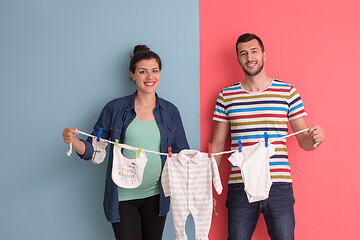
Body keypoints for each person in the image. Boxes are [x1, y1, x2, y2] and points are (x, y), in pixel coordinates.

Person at [62, 45, 189, 240]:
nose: (150, 77)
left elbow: (183, 156)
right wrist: (73, 141)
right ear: (133, 75)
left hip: (157, 197)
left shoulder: (170, 112)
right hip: (123, 198)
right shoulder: (115, 109)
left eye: (155, 71)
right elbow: (95, 150)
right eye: (142, 71)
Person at [211, 33, 325, 240]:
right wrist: (206, 185)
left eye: (254, 51)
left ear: (264, 55)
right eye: (243, 53)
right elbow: (218, 144)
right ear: (238, 59)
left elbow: (304, 141)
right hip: (240, 185)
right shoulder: (226, 96)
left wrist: (315, 138)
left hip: (278, 185)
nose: (249, 57)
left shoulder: (287, 92)